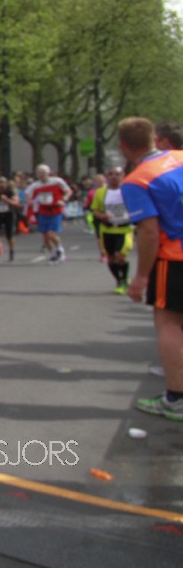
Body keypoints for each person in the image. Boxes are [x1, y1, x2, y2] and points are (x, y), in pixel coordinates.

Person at [118, 117, 183, 421]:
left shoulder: (137, 180)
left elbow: (149, 232)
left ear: (123, 147)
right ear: (155, 138)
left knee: (169, 323)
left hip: (175, 256)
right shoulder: (180, 156)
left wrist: (141, 276)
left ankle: (176, 398)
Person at [91, 166, 133, 294]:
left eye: (117, 174)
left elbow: (138, 207)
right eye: (111, 174)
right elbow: (95, 209)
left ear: (123, 175)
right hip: (107, 229)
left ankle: (124, 280)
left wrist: (132, 216)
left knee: (119, 256)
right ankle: (119, 280)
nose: (114, 176)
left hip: (124, 229)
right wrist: (102, 216)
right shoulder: (101, 192)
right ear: (107, 176)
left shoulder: (129, 190)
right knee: (110, 258)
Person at [26, 164, 71, 263]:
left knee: (51, 233)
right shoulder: (35, 185)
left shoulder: (57, 181)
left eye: (43, 172)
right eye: (39, 173)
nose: (41, 175)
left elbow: (68, 191)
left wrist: (64, 199)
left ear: (48, 172)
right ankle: (53, 253)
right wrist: (30, 201)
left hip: (56, 210)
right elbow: (27, 194)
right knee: (45, 237)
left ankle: (60, 249)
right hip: (43, 211)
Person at [0, 175, 21, 263]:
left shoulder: (10, 192)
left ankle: (11, 251)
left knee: (9, 236)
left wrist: (6, 200)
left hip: (8, 215)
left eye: (3, 183)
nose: (1, 185)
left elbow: (16, 203)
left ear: (6, 184)